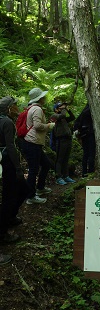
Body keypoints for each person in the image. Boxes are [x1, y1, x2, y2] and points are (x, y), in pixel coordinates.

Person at [0, 96, 29, 244]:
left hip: (3, 163)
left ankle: (10, 217)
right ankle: (3, 232)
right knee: (9, 197)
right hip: (8, 164)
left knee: (22, 190)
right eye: (15, 105)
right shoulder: (6, 122)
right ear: (9, 108)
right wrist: (18, 168)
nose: (17, 108)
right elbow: (10, 146)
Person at [22, 88, 55, 204]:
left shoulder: (31, 108)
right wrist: (49, 125)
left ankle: (40, 188)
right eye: (43, 96)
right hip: (32, 143)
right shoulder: (37, 109)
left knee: (46, 164)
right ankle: (30, 196)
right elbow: (37, 125)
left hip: (32, 143)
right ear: (40, 98)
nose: (45, 98)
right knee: (33, 170)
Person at [50, 102, 76, 185]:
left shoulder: (63, 118)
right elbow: (61, 116)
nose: (62, 108)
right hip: (60, 140)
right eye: (60, 107)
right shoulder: (54, 116)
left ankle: (66, 176)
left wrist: (68, 110)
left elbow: (72, 117)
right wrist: (63, 110)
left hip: (68, 139)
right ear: (56, 109)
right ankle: (58, 177)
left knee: (66, 159)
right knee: (59, 159)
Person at [73, 103, 95, 177]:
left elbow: (76, 122)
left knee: (86, 154)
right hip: (91, 134)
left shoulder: (84, 112)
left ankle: (84, 172)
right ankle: (91, 171)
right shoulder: (92, 110)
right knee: (91, 153)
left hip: (84, 135)